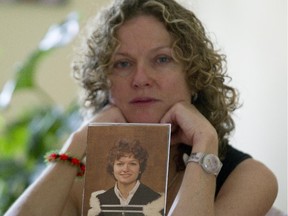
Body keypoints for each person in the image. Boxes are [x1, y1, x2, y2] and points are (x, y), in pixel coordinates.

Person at [4, 0, 278, 215]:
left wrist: (204, 143)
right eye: (123, 63)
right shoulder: (84, 179)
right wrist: (79, 140)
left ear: (194, 75)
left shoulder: (248, 177)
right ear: (104, 81)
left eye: (161, 59)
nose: (140, 79)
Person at [88, 139, 164, 216]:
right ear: (112, 168)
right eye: (120, 164)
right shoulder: (99, 201)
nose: (125, 169)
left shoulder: (156, 200)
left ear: (140, 168)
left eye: (132, 163)